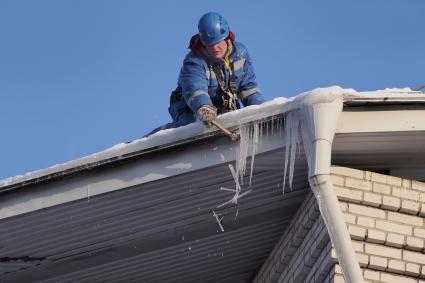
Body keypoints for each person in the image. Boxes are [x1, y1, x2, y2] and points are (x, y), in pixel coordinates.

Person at [146, 12, 265, 136]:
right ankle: (150, 141)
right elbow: (195, 89)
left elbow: (248, 89)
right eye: (210, 44)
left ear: (227, 38)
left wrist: (263, 111)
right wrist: (203, 107)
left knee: (233, 122)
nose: (214, 48)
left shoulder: (241, 54)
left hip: (222, 107)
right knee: (193, 130)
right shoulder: (194, 61)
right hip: (189, 108)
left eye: (218, 43)